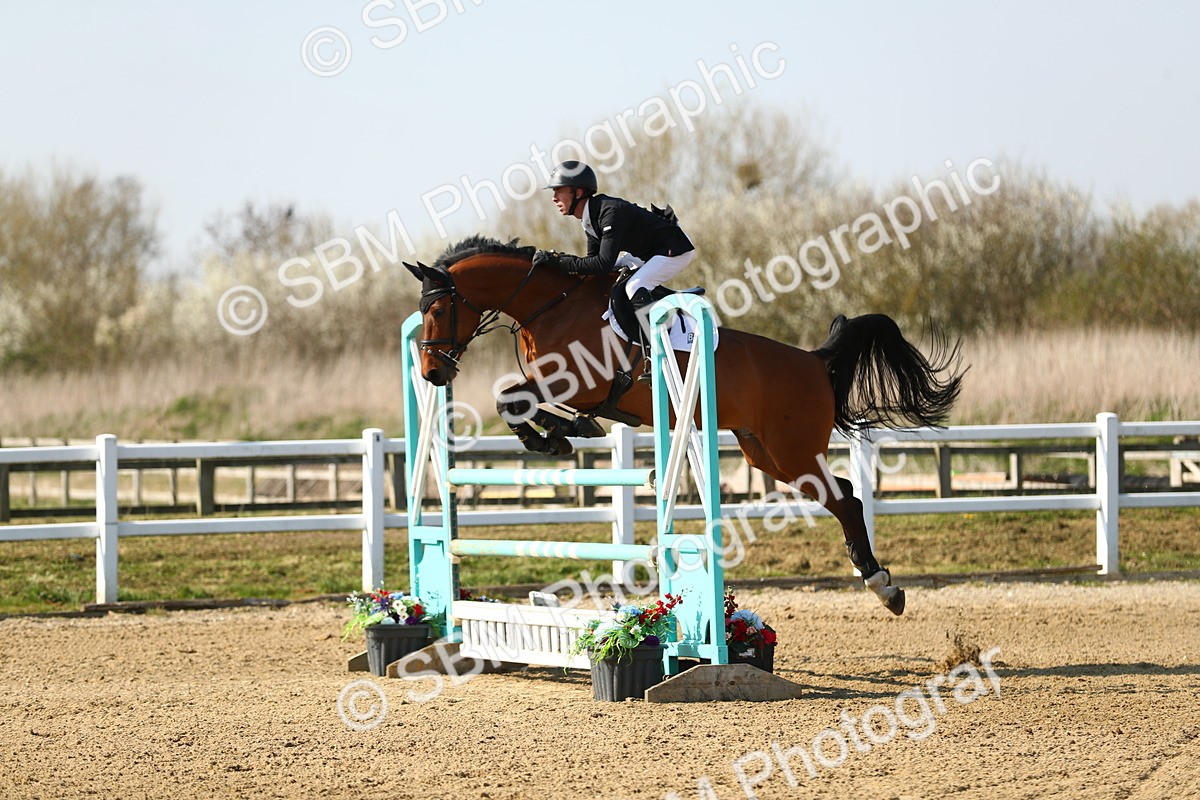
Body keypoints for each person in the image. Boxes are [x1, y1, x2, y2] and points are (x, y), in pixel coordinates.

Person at [532, 161, 695, 379]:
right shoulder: (589, 219)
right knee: (620, 272)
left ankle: (658, 353)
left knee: (635, 285)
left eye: (559, 191)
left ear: (578, 192)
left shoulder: (609, 212)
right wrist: (561, 265)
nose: (554, 198)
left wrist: (560, 262)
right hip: (648, 252)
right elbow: (594, 265)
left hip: (674, 249)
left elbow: (602, 264)